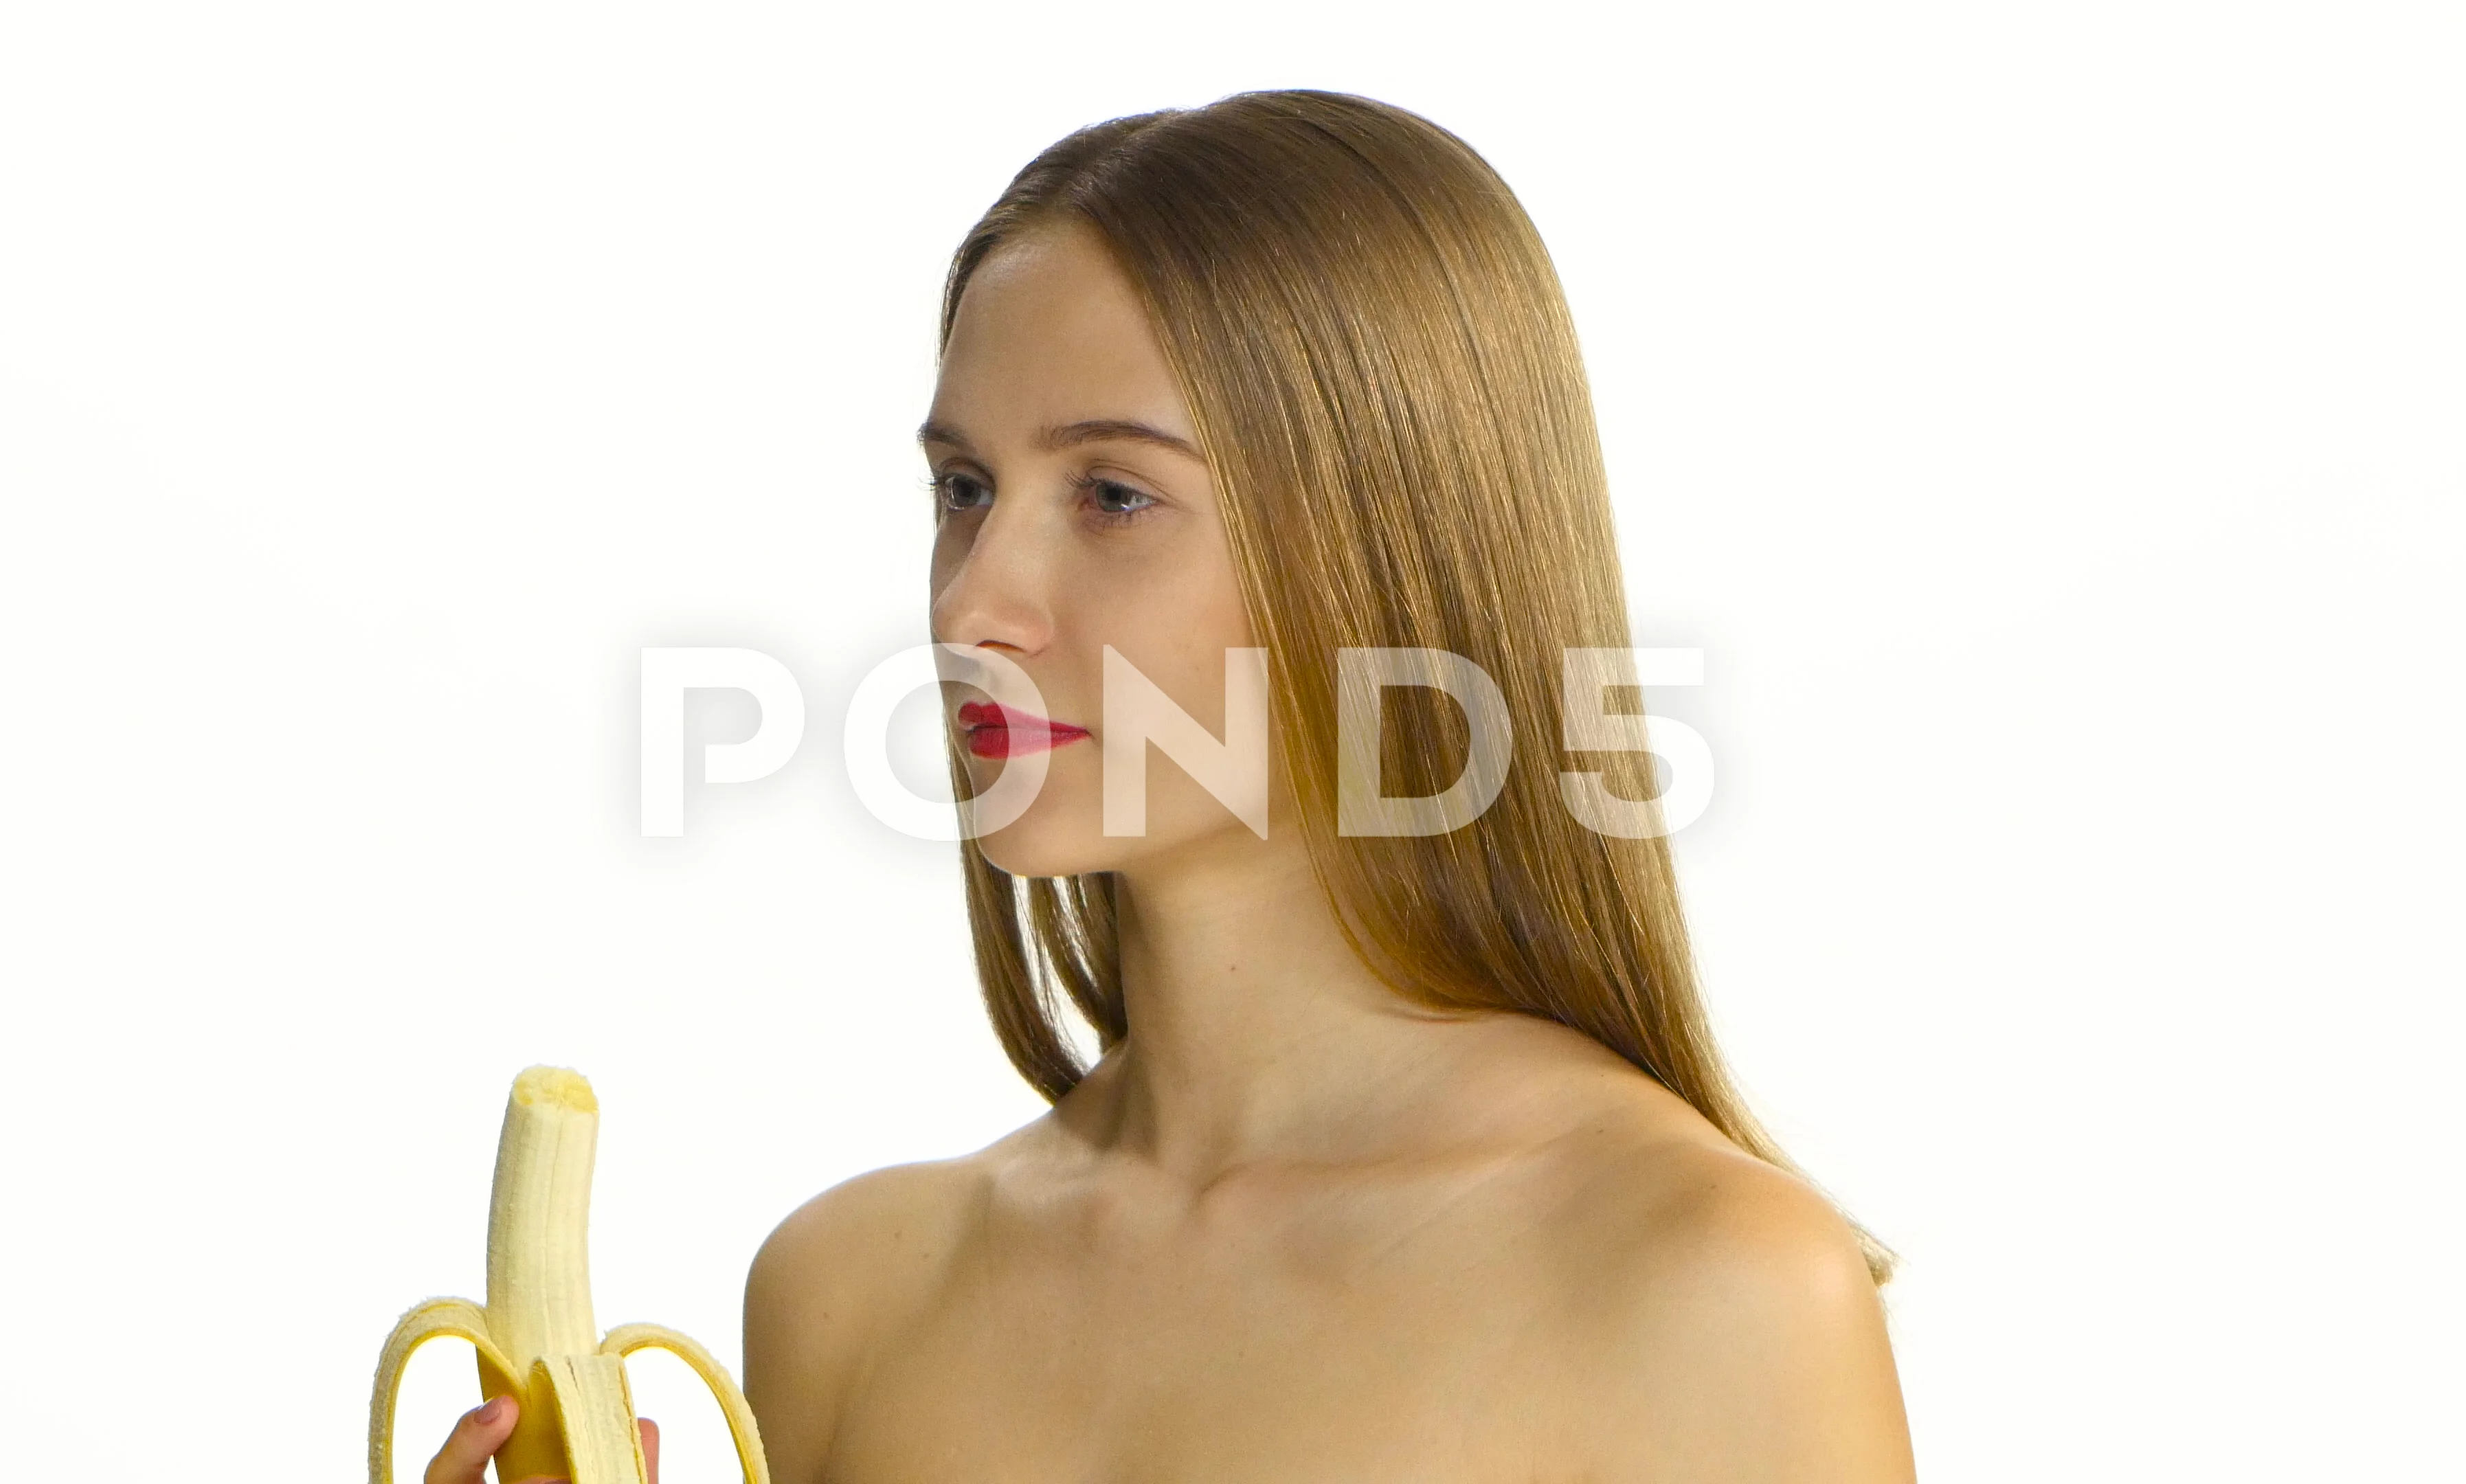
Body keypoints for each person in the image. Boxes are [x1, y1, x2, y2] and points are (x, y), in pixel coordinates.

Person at [427, 89, 1913, 1483]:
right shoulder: (850, 1292)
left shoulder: (1707, 1286)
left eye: (1114, 496)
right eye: (964, 490)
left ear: (1388, 556)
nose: (973, 608)